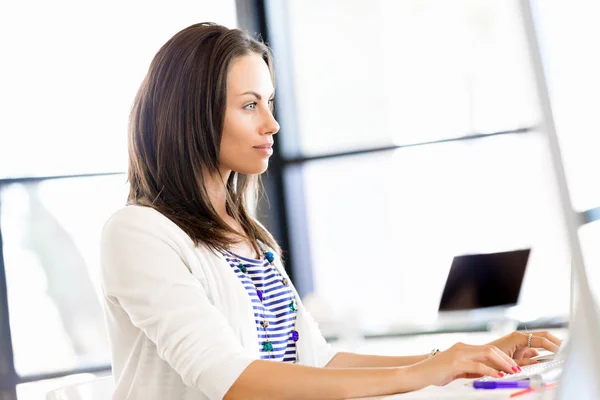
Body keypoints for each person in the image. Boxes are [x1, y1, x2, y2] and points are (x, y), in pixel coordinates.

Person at [100, 22, 562, 400]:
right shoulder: (139, 232)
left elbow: (316, 360)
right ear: (192, 116)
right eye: (249, 105)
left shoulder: (251, 236)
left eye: (269, 102)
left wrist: (461, 359)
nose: (272, 123)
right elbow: (234, 380)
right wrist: (430, 372)